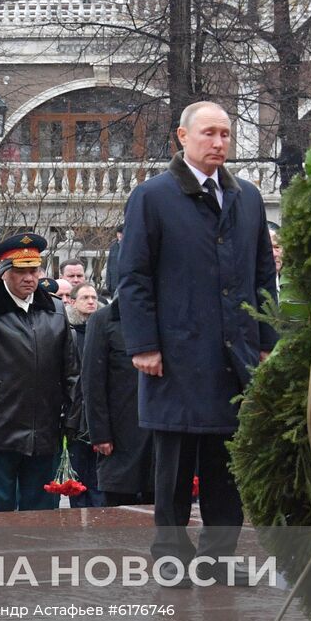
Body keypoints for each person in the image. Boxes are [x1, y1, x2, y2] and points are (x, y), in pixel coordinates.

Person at [118, 101, 278, 581]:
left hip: (234, 353)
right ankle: (170, 552)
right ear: (182, 137)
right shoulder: (153, 196)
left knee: (225, 461)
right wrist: (143, 344)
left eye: (226, 134)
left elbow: (262, 275)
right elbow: (134, 276)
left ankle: (219, 556)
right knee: (174, 458)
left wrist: (265, 338)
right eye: (209, 133)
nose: (219, 143)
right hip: (177, 351)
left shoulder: (246, 197)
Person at [0, 232, 80, 512]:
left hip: (45, 432)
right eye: (20, 270)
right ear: (4, 273)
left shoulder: (55, 309)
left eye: (34, 270)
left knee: (40, 519)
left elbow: (71, 370)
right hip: (0, 432)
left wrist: (72, 417)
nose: (29, 278)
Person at [81, 296, 154, 506]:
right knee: (121, 504)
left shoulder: (165, 316)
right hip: (120, 434)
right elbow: (92, 381)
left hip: (158, 432)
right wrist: (100, 433)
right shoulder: (103, 320)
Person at [65, 282, 105, 508]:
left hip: (98, 410)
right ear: (72, 301)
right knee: (78, 473)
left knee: (99, 477)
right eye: (85, 298)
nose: (91, 302)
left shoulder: (103, 329)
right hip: (75, 412)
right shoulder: (69, 332)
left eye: (93, 297)